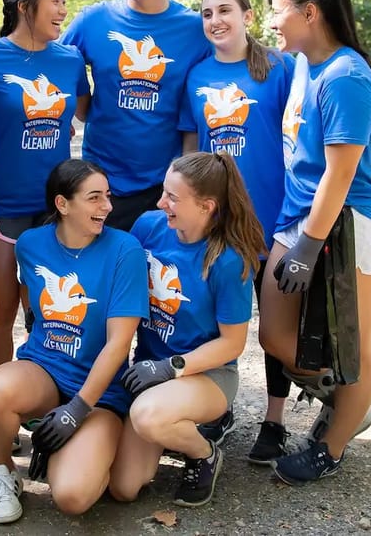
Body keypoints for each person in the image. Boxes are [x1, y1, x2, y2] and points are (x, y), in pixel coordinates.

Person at [260, 0, 371, 485]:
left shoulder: (345, 76)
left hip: (344, 226)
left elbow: (339, 176)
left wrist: (309, 247)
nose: (272, 21)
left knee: (349, 348)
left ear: (309, 13)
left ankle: (330, 445)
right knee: (274, 334)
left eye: (277, 10)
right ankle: (350, 403)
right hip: (298, 217)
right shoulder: (306, 64)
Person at [0, 159, 148, 524]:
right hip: (45, 372)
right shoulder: (31, 244)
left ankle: (72, 446)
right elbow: (31, 302)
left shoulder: (125, 250)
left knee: (72, 497)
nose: (108, 207)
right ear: (62, 204)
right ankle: (5, 475)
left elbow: (119, 346)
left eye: (108, 196)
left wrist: (78, 409)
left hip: (100, 396)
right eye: (95, 198)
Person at [177, 0, 297, 463]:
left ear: (247, 15)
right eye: (206, 13)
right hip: (220, 222)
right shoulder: (197, 75)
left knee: (274, 327)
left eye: (225, 10)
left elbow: (303, 135)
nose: (215, 20)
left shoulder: (278, 69)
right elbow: (192, 149)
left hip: (272, 217)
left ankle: (274, 421)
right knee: (211, 320)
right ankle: (216, 409)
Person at [108, 152, 266, 507]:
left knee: (148, 417)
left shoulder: (228, 260)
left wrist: (170, 367)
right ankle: (173, 424)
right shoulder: (149, 227)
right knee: (123, 487)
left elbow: (232, 344)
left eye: (173, 197)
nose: (161, 202)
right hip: (148, 373)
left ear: (207, 206)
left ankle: (204, 452)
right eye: (164, 192)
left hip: (207, 375)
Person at [61, 0, 210, 231]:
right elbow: (52, 65)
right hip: (101, 181)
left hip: (163, 185)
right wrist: (67, 113)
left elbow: (232, 63)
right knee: (101, 276)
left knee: (159, 278)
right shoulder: (94, 20)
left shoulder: (195, 29)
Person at [0, 0, 90, 377]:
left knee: (52, 315)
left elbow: (86, 112)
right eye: (55, 0)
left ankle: (46, 399)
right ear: (25, 6)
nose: (63, 9)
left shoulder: (70, 60)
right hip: (2, 205)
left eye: (64, 0)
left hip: (54, 207)